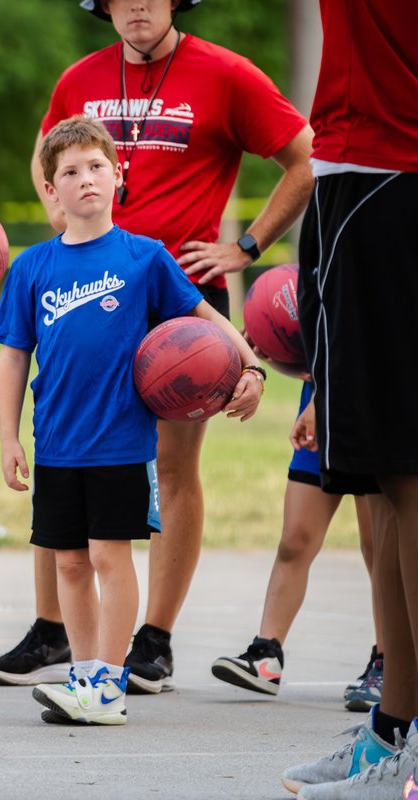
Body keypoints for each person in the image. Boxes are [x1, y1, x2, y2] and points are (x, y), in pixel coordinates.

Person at [0, 0, 314, 695]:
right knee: (61, 452)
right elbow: (50, 166)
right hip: (84, 291)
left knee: (171, 469)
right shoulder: (79, 77)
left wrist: (246, 246)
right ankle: (54, 632)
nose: (136, 4)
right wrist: (75, 238)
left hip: (177, 310)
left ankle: (152, 641)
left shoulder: (226, 74)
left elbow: (304, 158)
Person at [0, 115, 262, 725]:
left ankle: (108, 686)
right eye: (69, 172)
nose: (84, 179)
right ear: (50, 189)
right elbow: (13, 358)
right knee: (67, 561)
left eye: (95, 166)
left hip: (119, 440)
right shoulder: (32, 267)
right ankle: (86, 677)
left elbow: (206, 321)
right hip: (56, 439)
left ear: (118, 175)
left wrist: (251, 369)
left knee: (110, 557)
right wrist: (9, 436)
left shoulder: (144, 258)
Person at [277, 1, 418, 797]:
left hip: (392, 175)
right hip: (358, 174)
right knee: (386, 482)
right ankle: (394, 726)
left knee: (408, 474)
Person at [210, 381, 380, 707]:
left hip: (365, 396)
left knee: (378, 545)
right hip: (319, 402)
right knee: (295, 539)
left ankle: (388, 662)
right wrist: (267, 341)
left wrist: (324, 395)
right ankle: (266, 656)